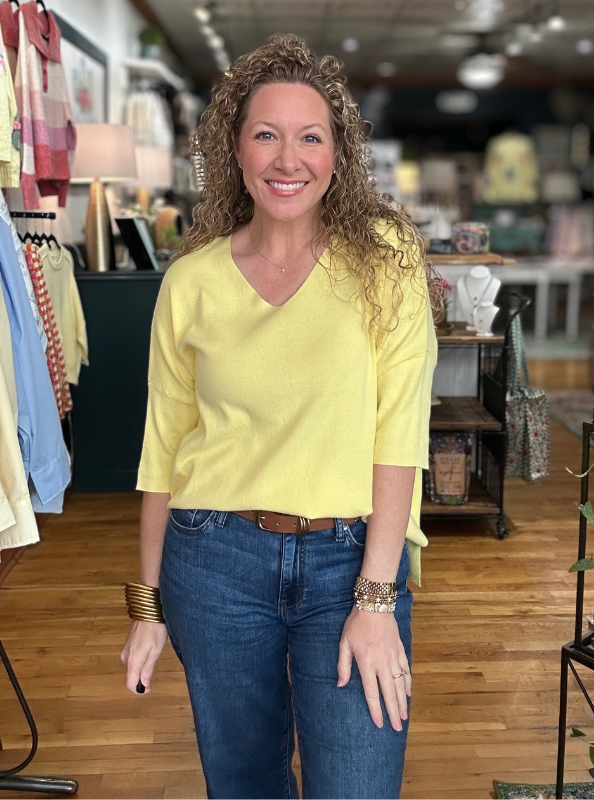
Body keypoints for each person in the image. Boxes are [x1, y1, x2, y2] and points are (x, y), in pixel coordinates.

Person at [121, 33, 440, 800]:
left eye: (310, 137)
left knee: (357, 786)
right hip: (213, 561)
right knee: (245, 785)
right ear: (236, 151)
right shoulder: (191, 282)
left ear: (339, 154)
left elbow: (400, 436)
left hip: (350, 561)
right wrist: (146, 607)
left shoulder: (386, 259)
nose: (287, 159)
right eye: (266, 134)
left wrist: (375, 599)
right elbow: (162, 451)